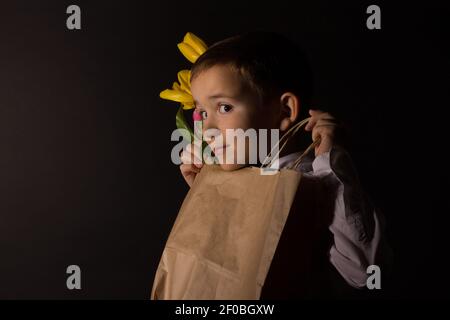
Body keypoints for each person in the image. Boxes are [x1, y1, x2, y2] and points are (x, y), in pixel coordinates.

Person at [179, 31, 392, 297]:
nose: (206, 126)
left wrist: (331, 165)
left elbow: (364, 271)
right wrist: (204, 192)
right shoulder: (245, 178)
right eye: (202, 112)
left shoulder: (314, 184)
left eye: (224, 108)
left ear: (285, 111)